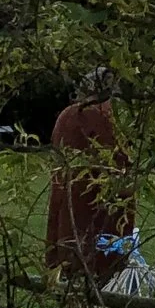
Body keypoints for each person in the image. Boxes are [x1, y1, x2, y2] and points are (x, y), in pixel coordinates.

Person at [46, 68, 134, 285]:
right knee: (102, 275)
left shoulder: (66, 116)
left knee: (69, 263)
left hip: (66, 204)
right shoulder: (105, 115)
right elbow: (120, 168)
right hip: (98, 209)